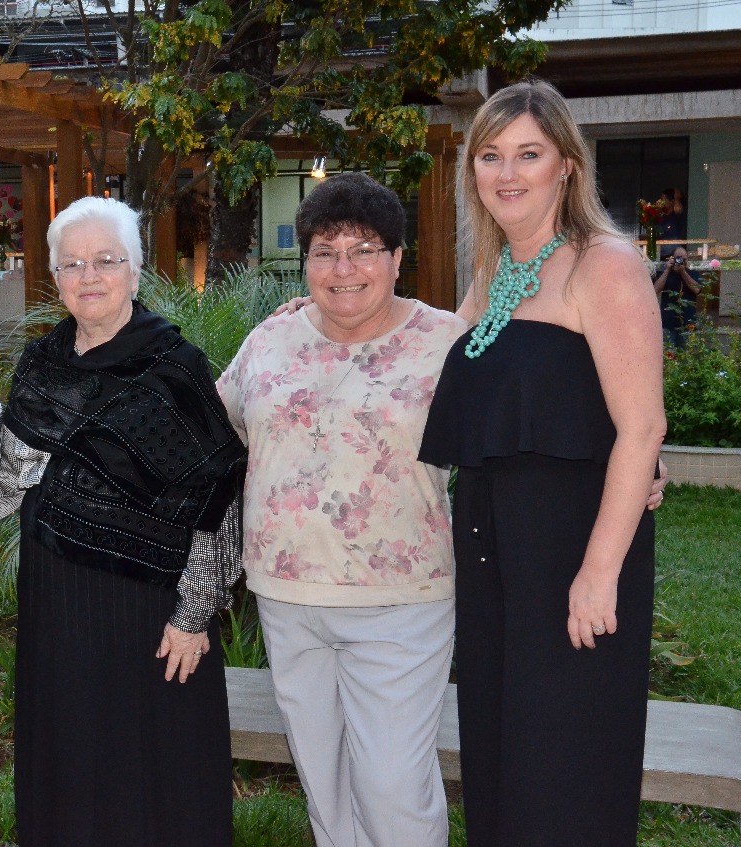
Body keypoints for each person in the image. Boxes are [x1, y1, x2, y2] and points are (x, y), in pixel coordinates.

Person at [418, 79, 665, 846]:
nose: (508, 172)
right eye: (489, 155)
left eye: (529, 153)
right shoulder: (495, 275)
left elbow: (642, 426)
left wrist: (599, 571)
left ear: (567, 165)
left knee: (565, 757)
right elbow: (428, 353)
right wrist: (327, 310)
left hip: (571, 546)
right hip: (494, 545)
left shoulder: (606, 265)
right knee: (499, 745)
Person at [217, 171, 467, 847]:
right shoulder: (271, 339)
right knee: (324, 784)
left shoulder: (447, 342)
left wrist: (635, 452)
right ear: (305, 263)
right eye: (325, 251)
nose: (343, 268)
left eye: (363, 249)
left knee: (392, 785)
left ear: (395, 257)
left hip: (400, 602)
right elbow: (209, 433)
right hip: (287, 595)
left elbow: (529, 417)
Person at [0, 196, 247, 847]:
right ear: (56, 276)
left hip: (155, 610)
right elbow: (7, 477)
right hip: (61, 605)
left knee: (156, 765)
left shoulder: (173, 367)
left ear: (134, 272)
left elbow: (214, 493)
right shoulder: (43, 365)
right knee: (71, 752)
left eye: (106, 260)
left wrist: (194, 613)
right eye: (72, 263)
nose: (89, 275)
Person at [655, 246, 701, 347]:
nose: (681, 262)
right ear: (673, 258)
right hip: (668, 323)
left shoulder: (693, 273)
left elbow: (697, 289)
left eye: (684, 259)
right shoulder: (666, 274)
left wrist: (683, 272)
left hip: (687, 323)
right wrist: (667, 269)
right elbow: (655, 290)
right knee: (669, 357)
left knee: (687, 357)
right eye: (679, 259)